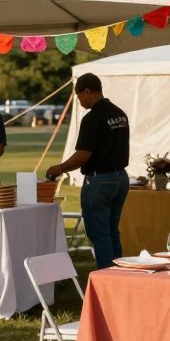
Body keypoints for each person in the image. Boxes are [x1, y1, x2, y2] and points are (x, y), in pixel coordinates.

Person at [45, 73, 129, 269]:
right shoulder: (119, 114)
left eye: (79, 95)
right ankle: (119, 274)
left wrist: (60, 168)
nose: (79, 100)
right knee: (111, 230)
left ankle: (106, 278)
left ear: (88, 91)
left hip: (100, 180)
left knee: (99, 233)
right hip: (120, 178)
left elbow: (83, 154)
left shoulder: (92, 118)